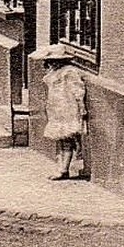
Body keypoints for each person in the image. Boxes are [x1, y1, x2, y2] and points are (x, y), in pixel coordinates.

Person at [35, 44, 87, 180]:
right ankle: (63, 167)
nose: (51, 63)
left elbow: (78, 90)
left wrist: (82, 107)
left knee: (67, 139)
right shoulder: (54, 73)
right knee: (62, 139)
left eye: (54, 61)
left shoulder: (69, 72)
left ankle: (64, 169)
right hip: (57, 109)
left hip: (67, 108)